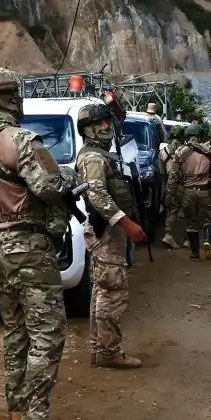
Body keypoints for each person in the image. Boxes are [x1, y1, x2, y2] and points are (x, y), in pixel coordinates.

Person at [0, 68, 78, 420]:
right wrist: (66, 181)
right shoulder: (22, 139)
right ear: (6, 97)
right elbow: (47, 187)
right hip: (28, 243)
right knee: (48, 334)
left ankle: (17, 417)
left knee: (15, 333)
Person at [73, 102, 148, 368]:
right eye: (99, 124)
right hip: (107, 232)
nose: (106, 127)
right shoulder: (93, 158)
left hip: (108, 232)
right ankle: (108, 352)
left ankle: (100, 348)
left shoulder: (102, 155)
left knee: (102, 290)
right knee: (112, 291)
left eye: (107, 122)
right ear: (88, 130)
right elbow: (98, 195)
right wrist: (126, 223)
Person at [167, 122, 211, 261]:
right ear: (200, 136)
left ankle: (195, 254)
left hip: (187, 192)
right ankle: (207, 239)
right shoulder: (209, 149)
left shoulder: (179, 152)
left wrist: (170, 194)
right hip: (204, 190)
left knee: (191, 222)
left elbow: (173, 176)